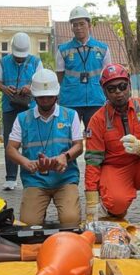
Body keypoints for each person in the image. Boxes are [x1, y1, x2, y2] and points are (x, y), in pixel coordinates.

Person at [84, 64, 140, 225]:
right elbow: (93, 162)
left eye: (122, 86)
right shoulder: (97, 120)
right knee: (116, 203)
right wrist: (91, 202)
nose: (118, 92)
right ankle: (113, 209)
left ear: (129, 85)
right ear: (104, 92)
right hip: (116, 168)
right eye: (112, 89)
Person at [5, 69, 84, 225]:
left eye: (50, 96)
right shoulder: (22, 118)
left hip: (65, 179)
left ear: (57, 95)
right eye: (41, 97)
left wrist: (65, 157)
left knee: (71, 221)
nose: (46, 100)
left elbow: (79, 146)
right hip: (35, 180)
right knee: (29, 224)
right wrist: (25, 162)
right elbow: (10, 149)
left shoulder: (70, 115)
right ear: (34, 96)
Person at [0, 32, 42, 191]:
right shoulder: (3, 62)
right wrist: (4, 88)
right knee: (10, 142)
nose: (19, 59)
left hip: (30, 108)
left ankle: (33, 175)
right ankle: (10, 178)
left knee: (32, 141)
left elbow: (41, 81)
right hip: (9, 107)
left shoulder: (36, 61)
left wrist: (30, 87)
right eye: (17, 56)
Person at [56, 5, 113, 125]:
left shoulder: (103, 49)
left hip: (96, 100)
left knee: (95, 134)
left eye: (82, 24)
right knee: (68, 134)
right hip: (70, 101)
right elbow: (60, 77)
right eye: (75, 25)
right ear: (71, 28)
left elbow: (107, 76)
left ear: (89, 25)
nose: (78, 28)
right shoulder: (62, 50)